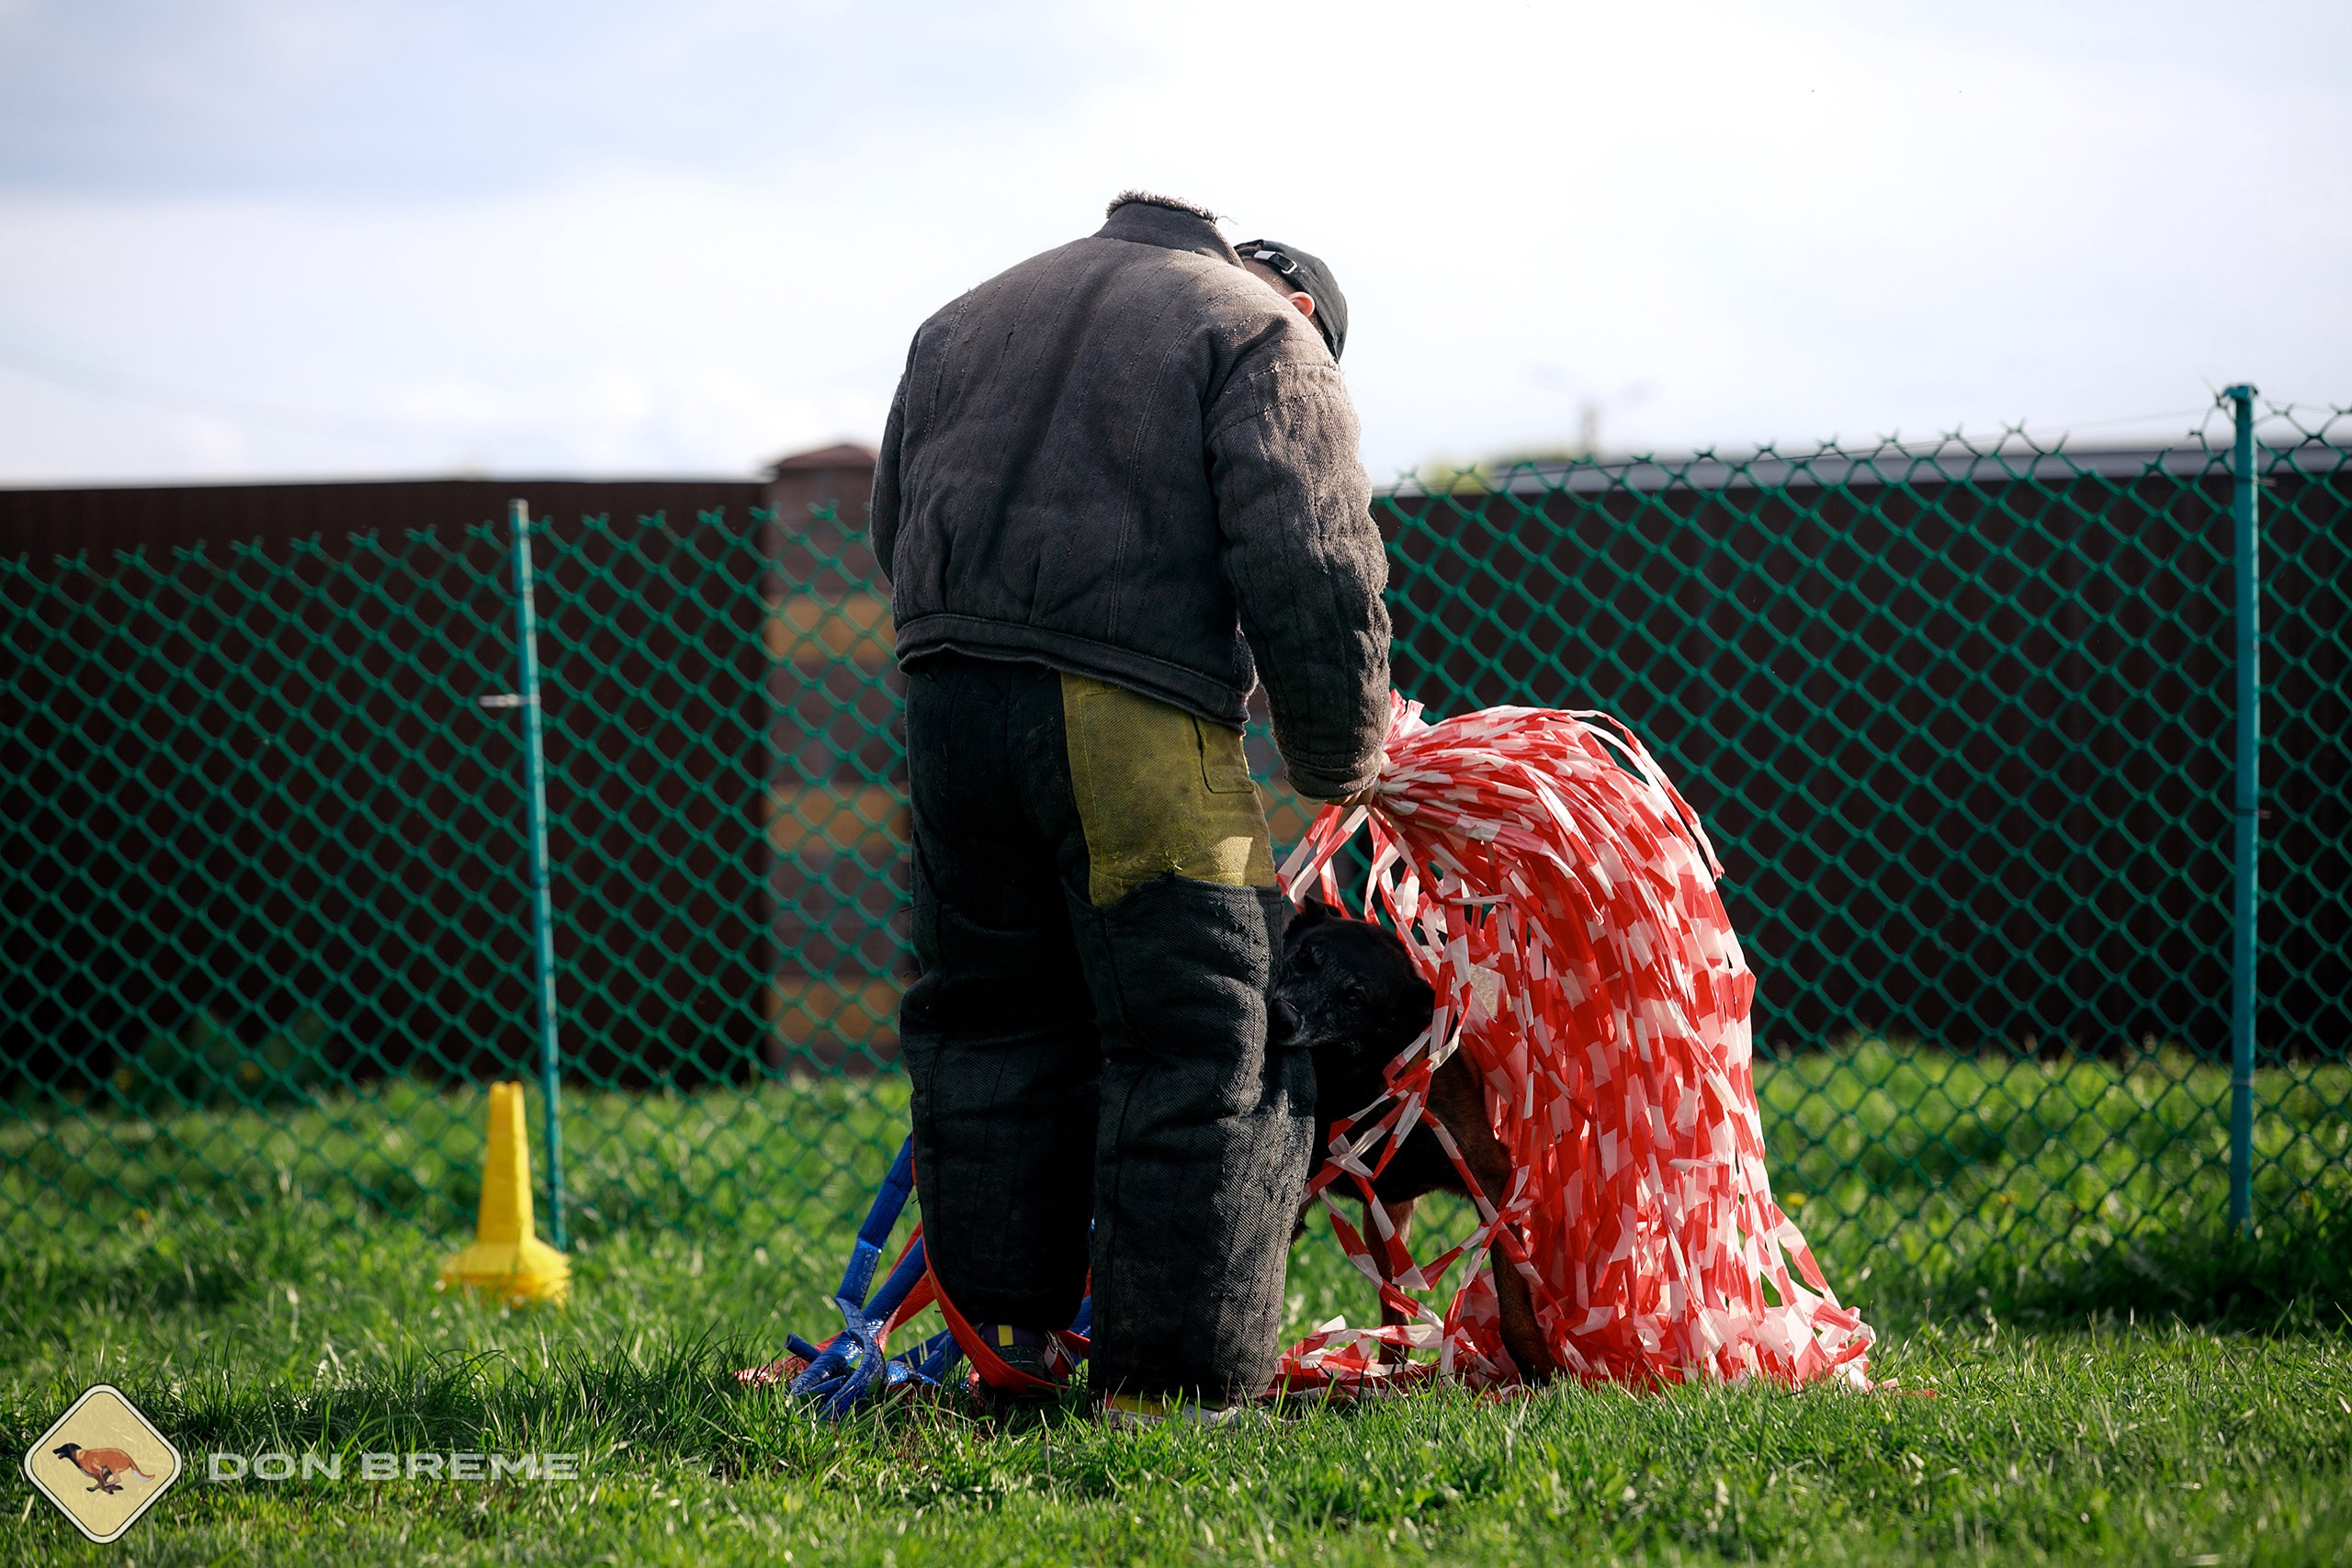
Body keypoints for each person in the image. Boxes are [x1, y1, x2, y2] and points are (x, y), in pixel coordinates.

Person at [867, 190, 1391, 1422]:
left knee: (992, 1023)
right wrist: (1339, 759)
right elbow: (1313, 559)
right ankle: (1176, 1391)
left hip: (946, 714)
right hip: (1133, 719)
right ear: (1307, 306)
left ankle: (1007, 1365)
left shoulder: (966, 317)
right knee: (1212, 1035)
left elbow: (894, 531)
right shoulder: (1262, 332)